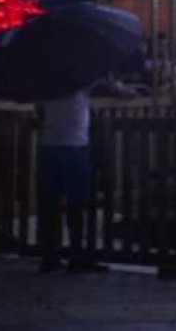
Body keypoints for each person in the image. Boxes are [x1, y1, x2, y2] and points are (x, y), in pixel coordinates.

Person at [35, 85, 105, 274]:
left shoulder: (46, 88)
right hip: (75, 144)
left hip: (49, 144)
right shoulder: (81, 84)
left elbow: (40, 113)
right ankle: (76, 254)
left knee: (51, 203)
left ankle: (50, 256)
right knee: (76, 202)